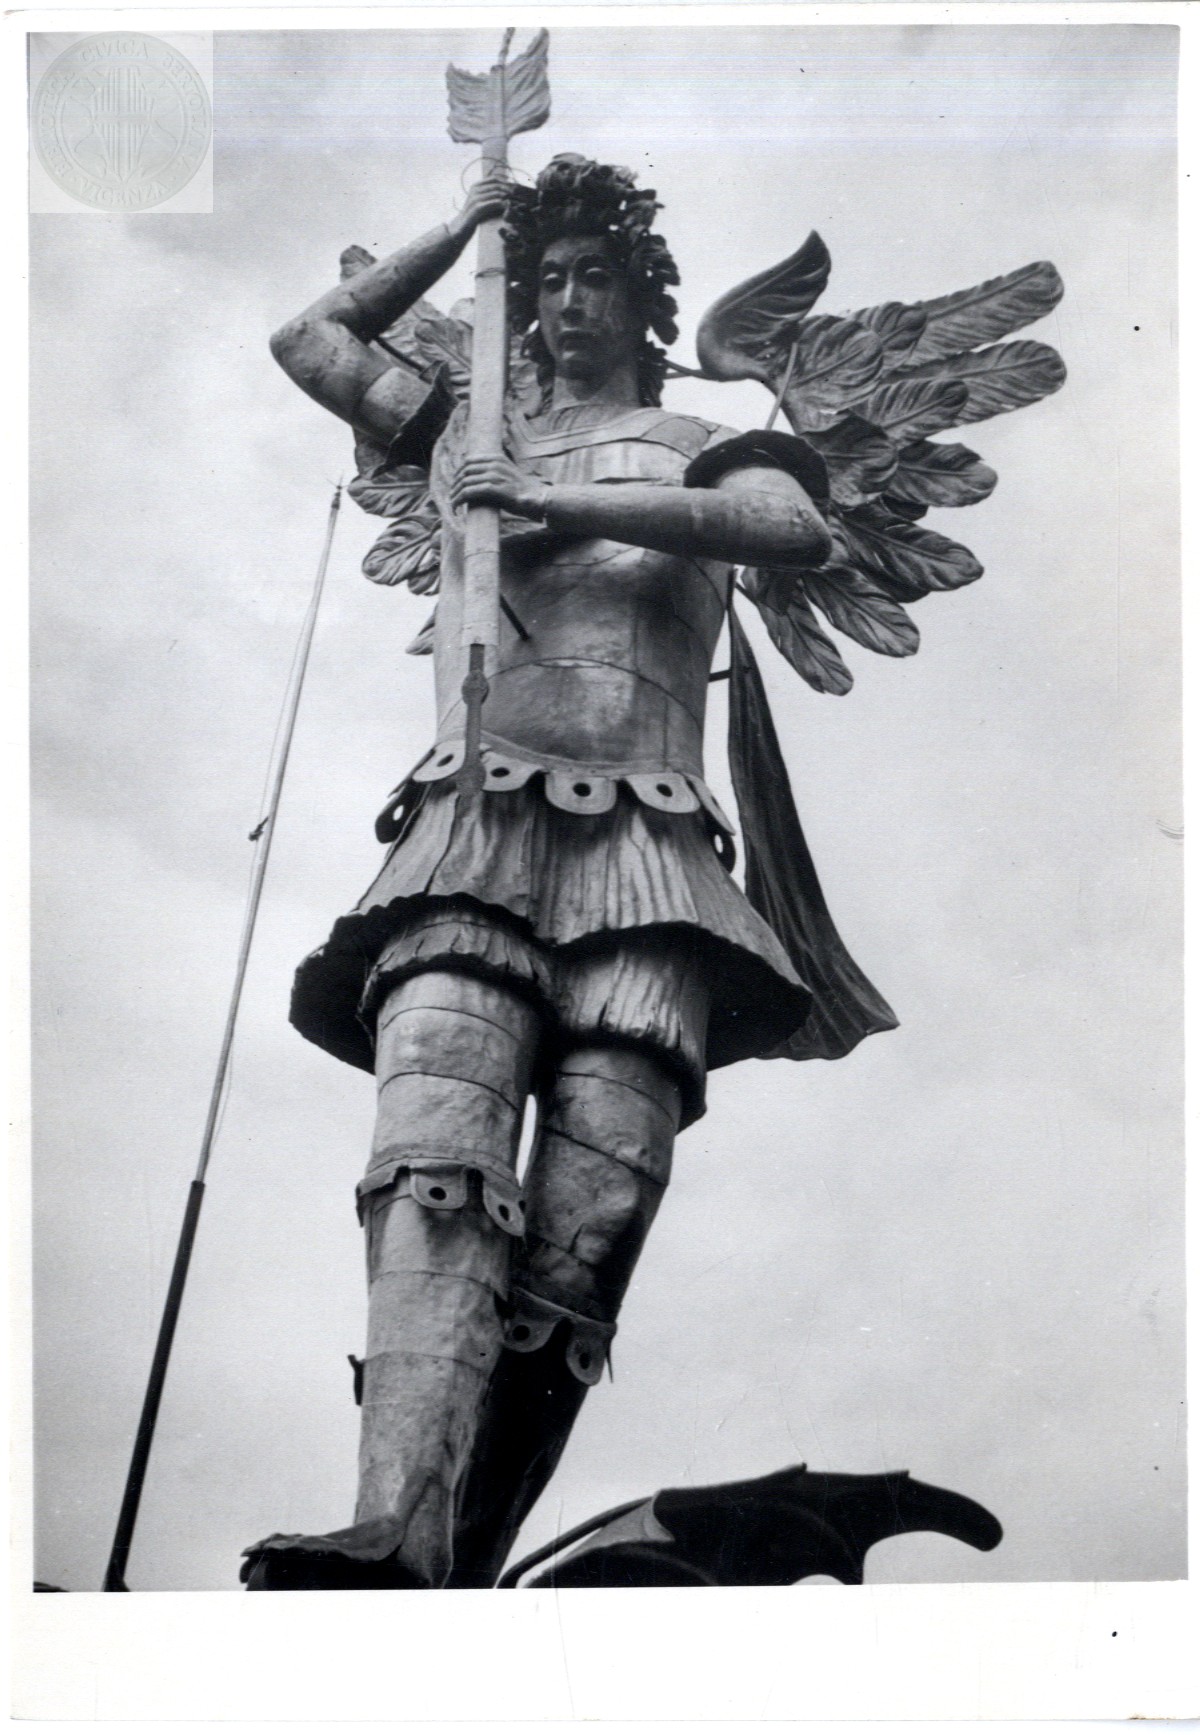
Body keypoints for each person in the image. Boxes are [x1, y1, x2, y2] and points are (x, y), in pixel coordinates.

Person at [243, 156, 881, 1592]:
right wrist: (462, 226)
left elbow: (791, 527)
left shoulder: (698, 440)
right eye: (546, 279)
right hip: (473, 832)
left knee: (584, 1243)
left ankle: (467, 1557)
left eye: (595, 275)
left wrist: (547, 498)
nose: (566, 299)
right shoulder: (467, 431)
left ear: (642, 303)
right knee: (434, 1171)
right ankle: (395, 1528)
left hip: (652, 861)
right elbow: (309, 340)